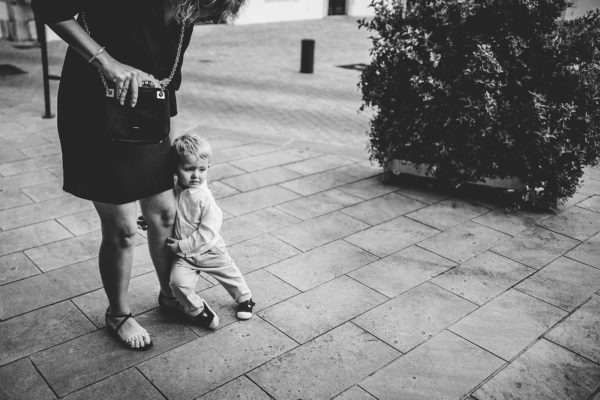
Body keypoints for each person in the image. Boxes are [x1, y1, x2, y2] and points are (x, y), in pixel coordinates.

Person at [31, 0, 246, 350]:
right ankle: (118, 314)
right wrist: (107, 61)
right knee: (123, 227)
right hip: (95, 110)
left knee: (164, 213)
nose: (204, 18)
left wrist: (170, 149)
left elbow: (167, 76)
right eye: (208, 9)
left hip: (147, 115)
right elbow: (50, 8)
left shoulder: (185, 13)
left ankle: (170, 295)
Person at [162, 134, 254, 329]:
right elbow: (170, 212)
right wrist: (150, 220)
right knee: (177, 284)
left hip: (209, 250)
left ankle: (245, 298)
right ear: (175, 169)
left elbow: (209, 231)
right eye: (189, 169)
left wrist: (182, 245)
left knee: (229, 274)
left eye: (202, 169)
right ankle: (196, 310)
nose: (196, 175)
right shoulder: (174, 190)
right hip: (184, 256)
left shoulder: (204, 197)